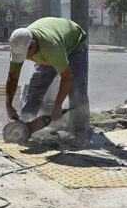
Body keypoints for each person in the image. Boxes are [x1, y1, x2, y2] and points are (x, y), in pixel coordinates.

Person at [5, 17, 91, 147]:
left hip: (74, 44)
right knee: (36, 86)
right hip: (49, 47)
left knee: (76, 90)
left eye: (26, 55)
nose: (25, 58)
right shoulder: (18, 44)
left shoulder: (51, 46)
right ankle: (24, 123)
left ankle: (81, 132)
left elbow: (67, 77)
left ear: (33, 44)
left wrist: (57, 106)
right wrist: (8, 105)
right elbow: (13, 77)